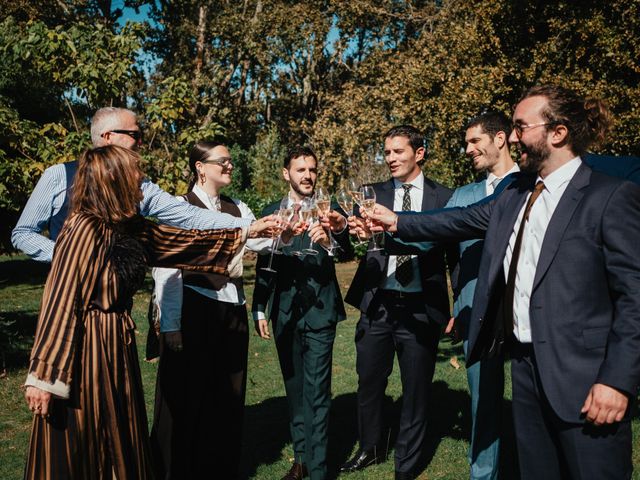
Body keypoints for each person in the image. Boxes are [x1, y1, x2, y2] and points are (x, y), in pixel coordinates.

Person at [369, 85, 640, 480]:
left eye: (520, 128)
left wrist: (616, 380)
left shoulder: (609, 194)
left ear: (558, 133)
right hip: (527, 372)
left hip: (588, 379)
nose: (512, 138)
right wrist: (396, 221)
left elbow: (634, 297)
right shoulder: (516, 193)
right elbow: (457, 220)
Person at [22, 145, 261, 479]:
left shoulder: (129, 226)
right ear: (113, 179)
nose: (141, 178)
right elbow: (60, 299)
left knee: (120, 429)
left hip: (116, 344)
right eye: (135, 171)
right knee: (85, 435)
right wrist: (45, 377)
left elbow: (181, 242)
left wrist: (249, 230)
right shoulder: (82, 228)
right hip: (84, 349)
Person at [149, 141, 273, 479]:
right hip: (194, 310)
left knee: (228, 400)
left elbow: (262, 241)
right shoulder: (179, 206)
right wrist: (170, 323)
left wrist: (286, 230)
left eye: (231, 160)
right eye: (224, 161)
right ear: (200, 167)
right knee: (187, 399)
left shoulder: (237, 208)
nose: (230, 166)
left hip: (233, 310)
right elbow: (167, 269)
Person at [341, 125, 455, 480]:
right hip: (378, 304)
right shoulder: (370, 193)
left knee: (416, 388)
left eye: (397, 152)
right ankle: (370, 447)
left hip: (422, 307)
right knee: (369, 382)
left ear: (418, 153)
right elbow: (349, 239)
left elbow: (453, 254)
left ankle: (407, 461)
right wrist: (345, 230)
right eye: (386, 152)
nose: (389, 158)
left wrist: (460, 302)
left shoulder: (445, 197)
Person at [11, 107, 259, 263]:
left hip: (117, 305)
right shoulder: (58, 176)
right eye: (135, 135)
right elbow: (23, 233)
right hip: (67, 297)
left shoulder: (140, 184)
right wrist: (67, 256)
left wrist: (250, 225)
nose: (140, 143)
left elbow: (188, 215)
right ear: (108, 137)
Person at [252, 146, 352, 480]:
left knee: (318, 393)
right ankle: (301, 460)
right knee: (294, 390)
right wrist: (258, 307)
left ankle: (320, 470)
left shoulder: (329, 210)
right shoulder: (271, 211)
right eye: (300, 170)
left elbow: (349, 249)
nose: (308, 175)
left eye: (312, 169)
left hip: (321, 313)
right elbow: (265, 265)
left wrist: (331, 237)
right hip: (284, 312)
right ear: (286, 174)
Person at [446, 111, 518, 480]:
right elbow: (433, 235)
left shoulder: (533, 183)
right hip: (477, 310)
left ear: (501, 138)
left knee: (532, 401)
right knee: (483, 401)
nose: (468, 149)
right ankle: (483, 474)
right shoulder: (463, 195)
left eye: (475, 141)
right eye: (467, 142)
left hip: (526, 311)